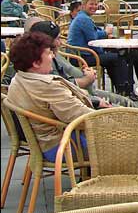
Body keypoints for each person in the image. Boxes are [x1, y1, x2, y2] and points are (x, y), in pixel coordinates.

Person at [6, 32, 94, 162]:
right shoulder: (48, 87)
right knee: (129, 143)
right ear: (36, 63)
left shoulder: (18, 78)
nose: (53, 56)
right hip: (64, 146)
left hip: (44, 142)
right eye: (48, 53)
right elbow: (83, 119)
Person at [26, 20, 132, 108]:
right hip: (85, 102)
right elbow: (63, 93)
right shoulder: (45, 63)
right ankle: (125, 90)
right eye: (58, 38)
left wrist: (85, 74)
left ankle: (125, 90)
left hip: (86, 94)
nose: (61, 42)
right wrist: (88, 81)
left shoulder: (50, 57)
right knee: (130, 106)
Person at [67, 0, 138, 94]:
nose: (94, 6)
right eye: (91, 4)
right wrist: (105, 40)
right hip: (82, 57)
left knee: (123, 55)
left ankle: (124, 88)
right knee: (118, 57)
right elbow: (93, 41)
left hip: (78, 54)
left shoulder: (82, 17)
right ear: (84, 5)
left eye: (96, 4)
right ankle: (125, 89)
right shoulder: (84, 19)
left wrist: (104, 36)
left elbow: (94, 33)